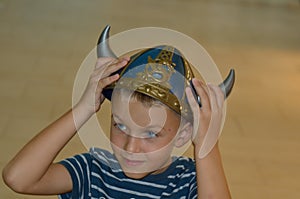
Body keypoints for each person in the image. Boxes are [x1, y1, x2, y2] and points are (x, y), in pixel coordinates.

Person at [2, 43, 232, 198]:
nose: (130, 148)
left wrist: (206, 142)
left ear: (183, 134)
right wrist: (84, 107)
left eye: (151, 134)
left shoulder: (190, 181)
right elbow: (18, 178)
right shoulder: (94, 171)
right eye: (120, 126)